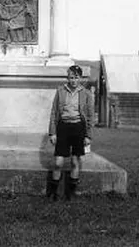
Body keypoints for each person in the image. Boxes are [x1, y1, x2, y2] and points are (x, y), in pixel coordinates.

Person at [48, 64, 94, 200]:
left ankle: (71, 193)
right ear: (67, 78)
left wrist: (88, 135)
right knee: (58, 162)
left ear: (80, 78)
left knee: (75, 161)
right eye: (71, 78)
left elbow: (90, 116)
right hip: (63, 127)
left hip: (78, 127)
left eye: (76, 78)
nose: (73, 80)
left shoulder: (86, 93)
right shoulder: (61, 90)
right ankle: (54, 193)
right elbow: (54, 112)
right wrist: (52, 133)